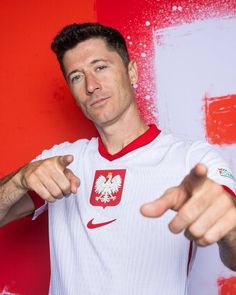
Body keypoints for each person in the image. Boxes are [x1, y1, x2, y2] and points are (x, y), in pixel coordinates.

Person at [0, 23, 236, 295]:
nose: (91, 85)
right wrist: (20, 180)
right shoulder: (63, 160)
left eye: (100, 67)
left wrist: (229, 222)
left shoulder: (192, 159)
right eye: (77, 77)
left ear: (131, 71)